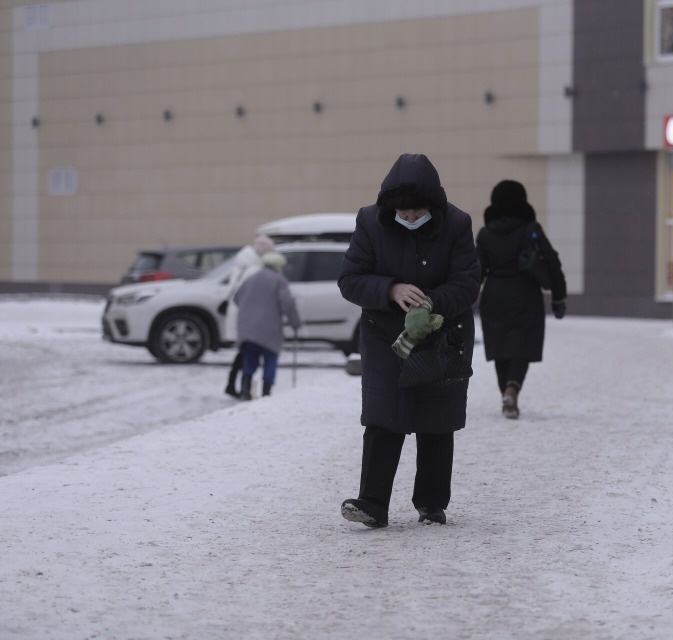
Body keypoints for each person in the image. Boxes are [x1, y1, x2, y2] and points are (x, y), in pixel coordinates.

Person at [337, 153, 481, 528]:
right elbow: (351, 279)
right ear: (390, 208)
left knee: (437, 419)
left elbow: (467, 282)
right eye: (404, 213)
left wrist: (433, 303)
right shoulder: (370, 221)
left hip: (442, 335)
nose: (412, 218)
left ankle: (431, 504)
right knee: (385, 417)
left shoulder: (457, 223)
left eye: (419, 212)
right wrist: (390, 289)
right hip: (386, 337)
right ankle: (372, 504)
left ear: (433, 206)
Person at [475, 180, 567, 419]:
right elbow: (551, 260)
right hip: (525, 293)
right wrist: (559, 296)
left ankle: (505, 393)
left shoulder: (485, 234)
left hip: (493, 294)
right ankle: (512, 389)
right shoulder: (530, 228)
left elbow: (475, 270)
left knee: (500, 347)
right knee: (521, 346)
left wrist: (462, 300)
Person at [231, 251, 302, 400]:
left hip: (247, 328)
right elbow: (287, 303)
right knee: (270, 359)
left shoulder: (251, 278)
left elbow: (237, 298)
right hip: (269, 329)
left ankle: (245, 390)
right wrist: (295, 322)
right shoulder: (279, 280)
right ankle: (266, 393)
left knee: (249, 359)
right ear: (278, 266)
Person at [221, 234, 275, 397]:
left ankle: (234, 384)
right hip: (246, 314)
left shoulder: (243, 263)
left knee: (245, 350)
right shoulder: (255, 269)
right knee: (248, 351)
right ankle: (237, 386)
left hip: (237, 311)